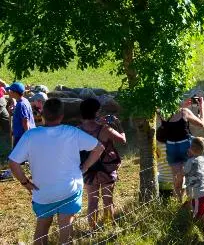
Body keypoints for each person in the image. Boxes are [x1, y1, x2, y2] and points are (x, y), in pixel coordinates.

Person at [8, 98, 105, 245]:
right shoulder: (72, 132)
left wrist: (26, 182)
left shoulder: (30, 136)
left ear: (42, 115)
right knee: (66, 230)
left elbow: (13, 162)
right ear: (61, 116)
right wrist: (85, 167)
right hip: (70, 190)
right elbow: (99, 147)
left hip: (43, 193)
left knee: (41, 230)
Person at [78, 98, 126, 230]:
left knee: (92, 202)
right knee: (107, 200)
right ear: (97, 112)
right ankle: (108, 228)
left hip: (88, 169)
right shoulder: (105, 129)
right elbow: (123, 140)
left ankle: (92, 230)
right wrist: (118, 124)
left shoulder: (77, 130)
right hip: (107, 168)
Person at [161, 94, 204, 201]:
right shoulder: (184, 112)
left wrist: (181, 105)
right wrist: (201, 107)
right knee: (191, 174)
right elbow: (202, 123)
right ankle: (192, 200)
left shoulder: (162, 113)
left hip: (171, 146)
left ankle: (179, 200)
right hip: (186, 145)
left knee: (177, 176)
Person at [184, 136, 204, 242]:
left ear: (191, 148)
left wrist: (189, 159)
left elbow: (184, 171)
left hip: (199, 194)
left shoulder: (190, 162)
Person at [6, 82, 34, 147]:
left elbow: (25, 121)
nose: (8, 92)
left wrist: (27, 137)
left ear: (15, 93)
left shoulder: (21, 105)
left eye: (10, 90)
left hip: (22, 137)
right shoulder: (24, 100)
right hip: (21, 134)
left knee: (18, 156)